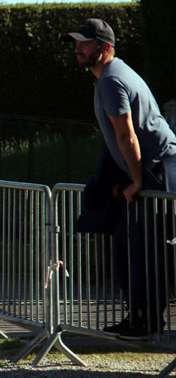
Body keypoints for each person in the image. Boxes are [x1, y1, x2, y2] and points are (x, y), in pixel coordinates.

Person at [64, 18, 176, 340]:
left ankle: (146, 322)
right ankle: (140, 318)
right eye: (77, 43)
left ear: (105, 47)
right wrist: (121, 177)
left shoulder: (112, 80)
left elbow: (126, 133)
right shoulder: (106, 78)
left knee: (149, 249)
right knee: (133, 247)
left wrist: (138, 180)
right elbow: (118, 138)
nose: (78, 49)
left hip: (157, 169)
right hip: (150, 168)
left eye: (84, 43)